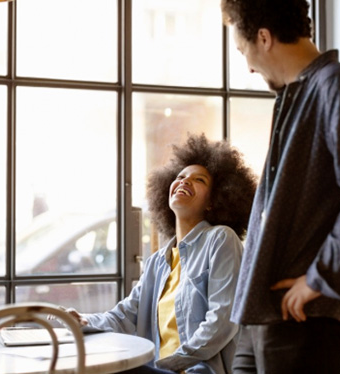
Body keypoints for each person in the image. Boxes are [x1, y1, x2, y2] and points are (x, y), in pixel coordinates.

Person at [220, 0, 340, 373]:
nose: (247, 65)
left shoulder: (337, 86)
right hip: (264, 310)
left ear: (264, 38)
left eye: (242, 48)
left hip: (304, 315)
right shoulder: (295, 95)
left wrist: (321, 278)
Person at [64, 134, 257, 374]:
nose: (185, 181)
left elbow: (222, 321)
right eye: (179, 177)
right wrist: (83, 321)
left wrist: (168, 364)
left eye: (199, 180)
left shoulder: (221, 239)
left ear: (213, 201)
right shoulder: (158, 261)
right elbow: (125, 315)